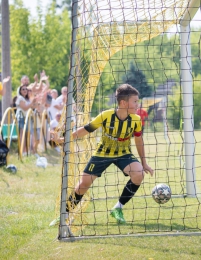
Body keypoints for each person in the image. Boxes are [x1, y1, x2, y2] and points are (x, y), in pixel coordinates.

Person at [50, 84, 153, 226]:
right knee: (83, 184)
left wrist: (144, 162)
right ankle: (64, 214)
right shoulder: (106, 116)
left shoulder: (135, 120)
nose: (138, 104)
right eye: (135, 101)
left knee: (138, 174)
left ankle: (118, 208)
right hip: (102, 154)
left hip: (123, 154)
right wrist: (62, 140)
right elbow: (84, 130)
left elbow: (139, 140)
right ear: (123, 103)